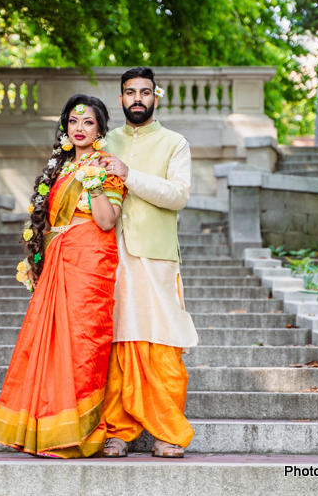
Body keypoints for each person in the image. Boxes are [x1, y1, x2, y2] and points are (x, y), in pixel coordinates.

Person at [0, 95, 126, 458]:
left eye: (88, 122)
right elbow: (48, 221)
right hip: (58, 260)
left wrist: (93, 181)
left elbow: (107, 221)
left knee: (83, 344)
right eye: (74, 122)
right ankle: (45, 428)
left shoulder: (107, 165)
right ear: (65, 127)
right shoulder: (59, 169)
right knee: (48, 344)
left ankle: (82, 430)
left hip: (92, 262)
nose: (79, 129)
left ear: (100, 129)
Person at [98, 67, 198, 458]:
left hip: (156, 258)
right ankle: (118, 431)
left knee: (163, 343)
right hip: (110, 256)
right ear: (120, 99)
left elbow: (178, 195)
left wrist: (129, 174)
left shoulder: (175, 143)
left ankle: (168, 432)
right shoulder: (104, 141)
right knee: (119, 343)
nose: (136, 98)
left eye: (144, 92)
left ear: (156, 96)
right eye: (129, 92)